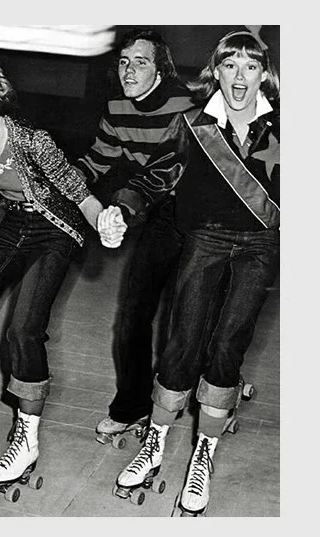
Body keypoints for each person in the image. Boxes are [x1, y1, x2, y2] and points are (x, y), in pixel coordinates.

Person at [107, 29, 280, 516]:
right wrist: (123, 207)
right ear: (215, 72)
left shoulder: (287, 126)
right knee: (182, 340)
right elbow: (157, 173)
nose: (239, 77)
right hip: (204, 239)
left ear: (263, 74)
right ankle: (156, 442)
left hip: (260, 246)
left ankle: (204, 451)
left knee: (228, 346)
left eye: (250, 66)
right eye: (230, 65)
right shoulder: (194, 123)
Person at [0, 59, 123, 495]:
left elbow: (77, 191)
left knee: (23, 330)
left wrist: (104, 222)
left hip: (53, 227)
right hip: (8, 220)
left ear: (0, 104)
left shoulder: (32, 140)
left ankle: (26, 440)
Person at [71, 29, 197, 442]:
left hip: (204, 217)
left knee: (192, 316)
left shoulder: (188, 106)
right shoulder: (117, 107)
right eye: (124, 62)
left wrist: (124, 207)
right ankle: (132, 406)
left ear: (161, 71)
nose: (129, 71)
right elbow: (98, 160)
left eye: (140, 63)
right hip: (160, 214)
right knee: (134, 313)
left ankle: (216, 387)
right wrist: (58, 183)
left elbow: (169, 169)